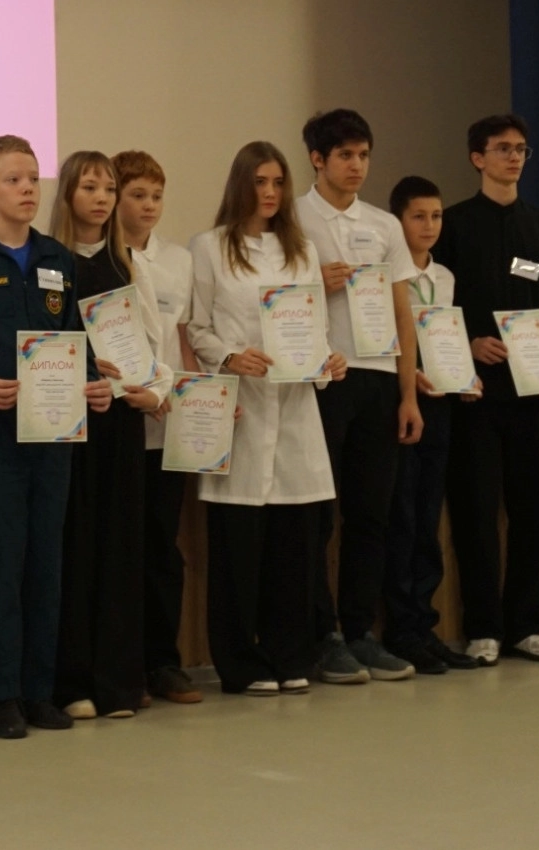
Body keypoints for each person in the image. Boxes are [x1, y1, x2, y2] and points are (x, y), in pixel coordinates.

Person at [0, 135, 111, 739]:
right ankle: (2, 694)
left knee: (46, 565)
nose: (28, 188)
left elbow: (74, 337)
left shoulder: (59, 259)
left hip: (54, 434)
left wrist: (94, 384)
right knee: (1, 565)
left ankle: (39, 691)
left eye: (33, 177)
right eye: (13, 179)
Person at [187, 141, 347, 698]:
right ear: (241, 185)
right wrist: (230, 357)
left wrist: (328, 361)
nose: (271, 192)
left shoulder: (302, 250)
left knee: (294, 549)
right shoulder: (209, 248)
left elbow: (315, 328)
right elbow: (197, 328)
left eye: (278, 182)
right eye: (260, 182)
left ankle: (290, 654)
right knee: (238, 551)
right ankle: (240, 663)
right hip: (242, 412)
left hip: (296, 412)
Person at [432, 115, 539, 666]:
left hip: (534, 394)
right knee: (475, 514)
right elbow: (435, 307)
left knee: (536, 513)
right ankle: (483, 628)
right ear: (478, 158)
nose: (514, 158)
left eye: (521, 149)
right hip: (474, 396)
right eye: (502, 149)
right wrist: (468, 344)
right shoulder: (453, 225)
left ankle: (526, 625)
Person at [295, 110, 423, 684]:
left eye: (363, 155)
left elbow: (403, 312)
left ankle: (360, 630)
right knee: (318, 514)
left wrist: (408, 394)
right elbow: (267, 297)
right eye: (345, 155)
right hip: (323, 378)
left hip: (378, 377)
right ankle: (321, 635)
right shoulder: (293, 219)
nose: (356, 166)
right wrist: (311, 283)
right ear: (317, 159)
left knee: (371, 513)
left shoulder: (384, 224)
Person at [49, 152, 170, 721]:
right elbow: (39, 342)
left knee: (121, 548)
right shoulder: (49, 262)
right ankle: (72, 682)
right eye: (89, 187)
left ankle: (119, 682)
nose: (101, 198)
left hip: (120, 421)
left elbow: (153, 346)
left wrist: (154, 390)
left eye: (108, 188)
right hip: (70, 423)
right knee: (76, 548)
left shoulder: (128, 265)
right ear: (68, 194)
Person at [111, 149, 204, 704]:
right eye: (137, 195)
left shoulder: (178, 261)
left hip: (168, 424)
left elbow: (183, 339)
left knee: (163, 549)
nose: (149, 206)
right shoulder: (102, 258)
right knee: (123, 549)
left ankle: (163, 662)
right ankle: (124, 667)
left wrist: (201, 398)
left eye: (156, 196)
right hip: (120, 422)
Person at [380, 176, 480, 674]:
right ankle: (401, 629)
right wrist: (409, 376)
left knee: (427, 516)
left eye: (436, 216)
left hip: (439, 404)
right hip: (403, 399)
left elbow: (447, 336)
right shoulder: (386, 276)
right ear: (398, 221)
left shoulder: (444, 276)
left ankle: (425, 625)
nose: (429, 225)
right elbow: (388, 335)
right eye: (418, 216)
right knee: (402, 516)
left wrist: (465, 374)